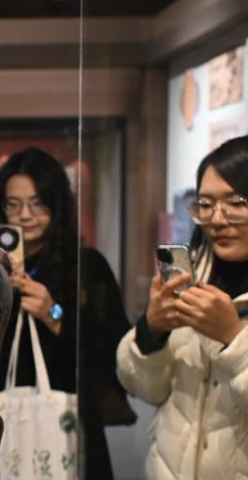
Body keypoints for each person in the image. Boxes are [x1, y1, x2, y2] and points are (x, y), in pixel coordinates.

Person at [0, 148, 134, 479]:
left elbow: (115, 348)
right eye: (13, 204)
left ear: (57, 205)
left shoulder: (86, 266)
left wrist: (54, 314)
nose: (25, 215)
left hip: (66, 417)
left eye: (38, 203)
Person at [117, 135, 248, 479]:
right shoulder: (191, 280)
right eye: (205, 204)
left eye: (235, 202)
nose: (217, 219)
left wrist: (235, 339)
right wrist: (151, 331)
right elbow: (146, 390)